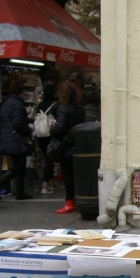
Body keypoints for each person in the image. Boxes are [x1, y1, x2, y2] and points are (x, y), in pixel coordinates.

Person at [49, 80, 85, 214]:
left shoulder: (62, 108)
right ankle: (78, 199)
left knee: (67, 175)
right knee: (77, 175)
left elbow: (59, 127)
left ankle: (69, 201)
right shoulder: (80, 108)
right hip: (78, 145)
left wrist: (50, 129)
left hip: (66, 146)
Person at [0, 82, 34, 200]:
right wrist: (29, 130)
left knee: (19, 165)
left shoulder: (6, 103)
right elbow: (18, 123)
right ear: (20, 93)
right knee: (19, 167)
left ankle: (20, 192)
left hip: (7, 138)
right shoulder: (17, 104)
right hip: (16, 139)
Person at [34, 83, 58, 194]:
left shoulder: (40, 105)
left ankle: (51, 181)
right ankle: (45, 184)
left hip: (41, 135)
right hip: (50, 134)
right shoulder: (56, 105)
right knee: (50, 159)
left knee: (47, 157)